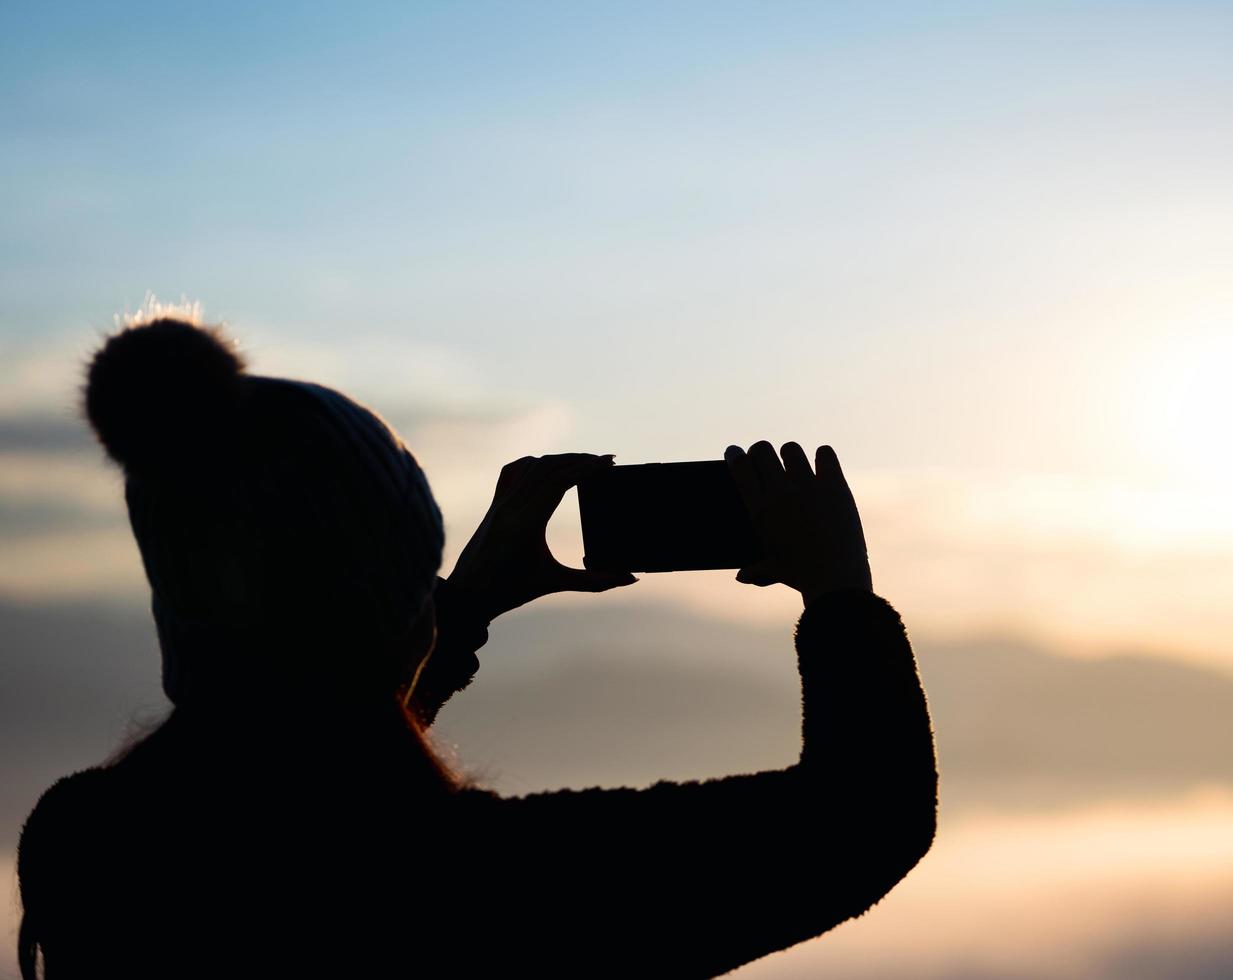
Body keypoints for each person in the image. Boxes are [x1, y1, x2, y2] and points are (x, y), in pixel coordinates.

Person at [14, 315, 937, 978]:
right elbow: (864, 820)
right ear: (400, 617)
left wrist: (457, 612)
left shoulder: (85, 845)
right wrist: (841, 596)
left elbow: (292, 759)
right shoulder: (505, 895)